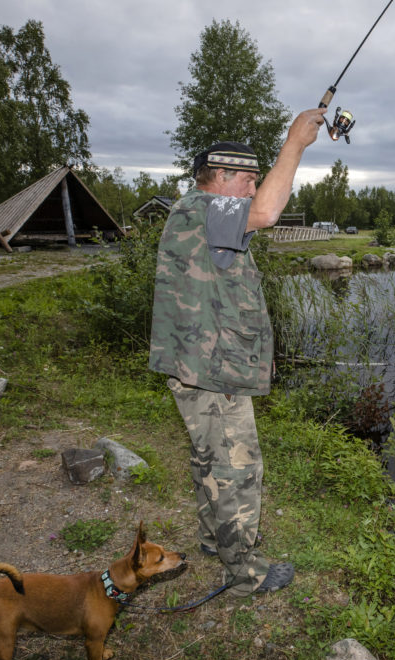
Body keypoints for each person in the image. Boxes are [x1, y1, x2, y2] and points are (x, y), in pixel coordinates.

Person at [149, 108, 326, 596]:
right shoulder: (201, 209)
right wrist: (294, 143)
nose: (253, 189)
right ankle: (247, 574)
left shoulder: (202, 219)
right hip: (213, 372)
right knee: (237, 469)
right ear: (220, 177)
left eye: (255, 180)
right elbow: (268, 212)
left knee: (209, 459)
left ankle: (214, 538)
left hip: (205, 366)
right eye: (248, 179)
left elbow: (225, 288)